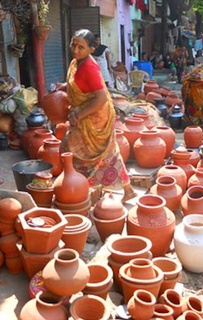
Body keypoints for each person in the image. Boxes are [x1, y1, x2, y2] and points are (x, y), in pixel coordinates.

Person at [59, 29, 136, 203]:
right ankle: (125, 189)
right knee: (107, 154)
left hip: (95, 117)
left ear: (92, 49)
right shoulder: (76, 62)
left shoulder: (89, 66)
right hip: (86, 113)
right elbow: (78, 84)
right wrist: (63, 86)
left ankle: (80, 193)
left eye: (81, 47)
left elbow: (100, 97)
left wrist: (79, 114)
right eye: (73, 44)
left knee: (72, 151)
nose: (75, 50)